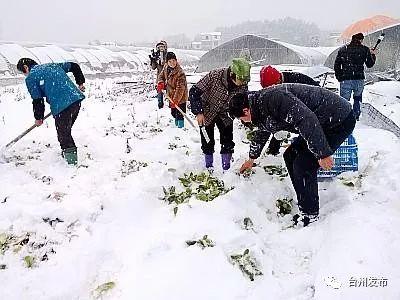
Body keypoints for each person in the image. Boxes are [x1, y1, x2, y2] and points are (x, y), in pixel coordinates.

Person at [229, 84, 356, 226]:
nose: (242, 121)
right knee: (290, 155)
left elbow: (305, 119)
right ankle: (303, 202)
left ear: (246, 111)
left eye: (240, 118)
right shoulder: (258, 107)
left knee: (304, 163)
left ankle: (310, 214)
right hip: (318, 122)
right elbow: (262, 132)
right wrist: (251, 158)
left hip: (338, 119)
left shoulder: (273, 99)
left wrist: (322, 153)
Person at [17, 58, 85, 165]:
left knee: (64, 134)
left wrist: (38, 118)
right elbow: (74, 66)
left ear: (25, 67)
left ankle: (72, 164)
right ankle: (67, 153)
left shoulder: (31, 78)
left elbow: (37, 100)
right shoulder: (52, 66)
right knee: (65, 131)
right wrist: (80, 83)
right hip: (76, 100)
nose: (24, 75)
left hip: (62, 106)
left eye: (23, 73)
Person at [189, 58, 250, 171]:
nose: (243, 83)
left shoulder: (243, 85)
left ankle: (226, 168)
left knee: (227, 141)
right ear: (232, 74)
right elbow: (194, 91)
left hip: (226, 114)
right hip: (207, 111)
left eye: (245, 80)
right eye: (240, 79)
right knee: (207, 140)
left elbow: (244, 102)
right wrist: (198, 112)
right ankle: (209, 166)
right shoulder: (215, 76)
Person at [259, 65, 321, 156]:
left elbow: (299, 115)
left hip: (316, 110)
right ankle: (273, 152)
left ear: (278, 81)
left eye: (272, 88)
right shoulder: (280, 84)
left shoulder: (294, 84)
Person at [334, 32, 376, 121]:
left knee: (344, 100)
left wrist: (339, 77)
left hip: (346, 79)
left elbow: (337, 65)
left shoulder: (343, 49)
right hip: (359, 78)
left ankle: (344, 117)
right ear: (361, 40)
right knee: (357, 98)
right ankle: (356, 115)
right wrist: (372, 55)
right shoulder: (364, 49)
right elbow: (369, 64)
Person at [157, 52, 188, 128]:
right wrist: (161, 83)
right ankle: (175, 128)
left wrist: (176, 100)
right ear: (167, 62)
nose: (172, 63)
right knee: (174, 113)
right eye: (170, 61)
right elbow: (161, 76)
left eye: (174, 61)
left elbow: (180, 88)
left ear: (176, 61)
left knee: (180, 114)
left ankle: (180, 129)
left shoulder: (180, 73)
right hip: (171, 95)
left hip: (181, 97)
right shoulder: (166, 68)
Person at [149, 40, 168, 109]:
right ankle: (160, 106)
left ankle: (171, 106)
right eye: (159, 47)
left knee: (170, 92)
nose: (161, 48)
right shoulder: (157, 56)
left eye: (162, 47)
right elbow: (153, 67)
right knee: (160, 92)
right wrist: (153, 60)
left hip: (168, 78)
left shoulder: (168, 55)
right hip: (160, 78)